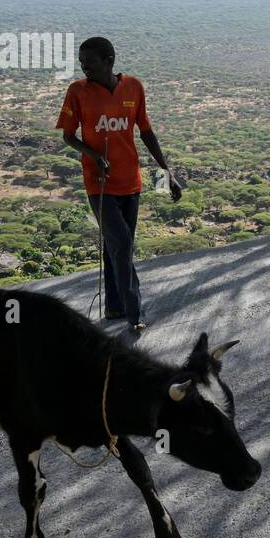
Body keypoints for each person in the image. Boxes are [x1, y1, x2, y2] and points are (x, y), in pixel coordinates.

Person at [56, 36, 182, 332]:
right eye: (81, 62)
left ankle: (113, 306)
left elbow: (146, 132)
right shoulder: (77, 92)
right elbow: (68, 136)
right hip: (98, 184)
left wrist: (167, 172)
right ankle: (134, 313)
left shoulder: (133, 87)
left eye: (90, 62)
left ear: (109, 60)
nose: (84, 67)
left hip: (131, 182)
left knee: (117, 247)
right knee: (122, 244)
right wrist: (93, 154)